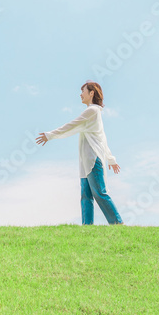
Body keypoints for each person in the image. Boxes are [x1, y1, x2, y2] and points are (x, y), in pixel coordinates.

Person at [37, 81, 123, 225]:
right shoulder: (93, 111)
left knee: (99, 193)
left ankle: (118, 223)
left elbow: (72, 125)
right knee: (85, 196)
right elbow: (102, 138)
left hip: (93, 159)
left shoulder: (93, 111)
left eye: (83, 91)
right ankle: (87, 227)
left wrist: (50, 135)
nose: (80, 94)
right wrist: (111, 159)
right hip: (85, 161)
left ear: (91, 93)